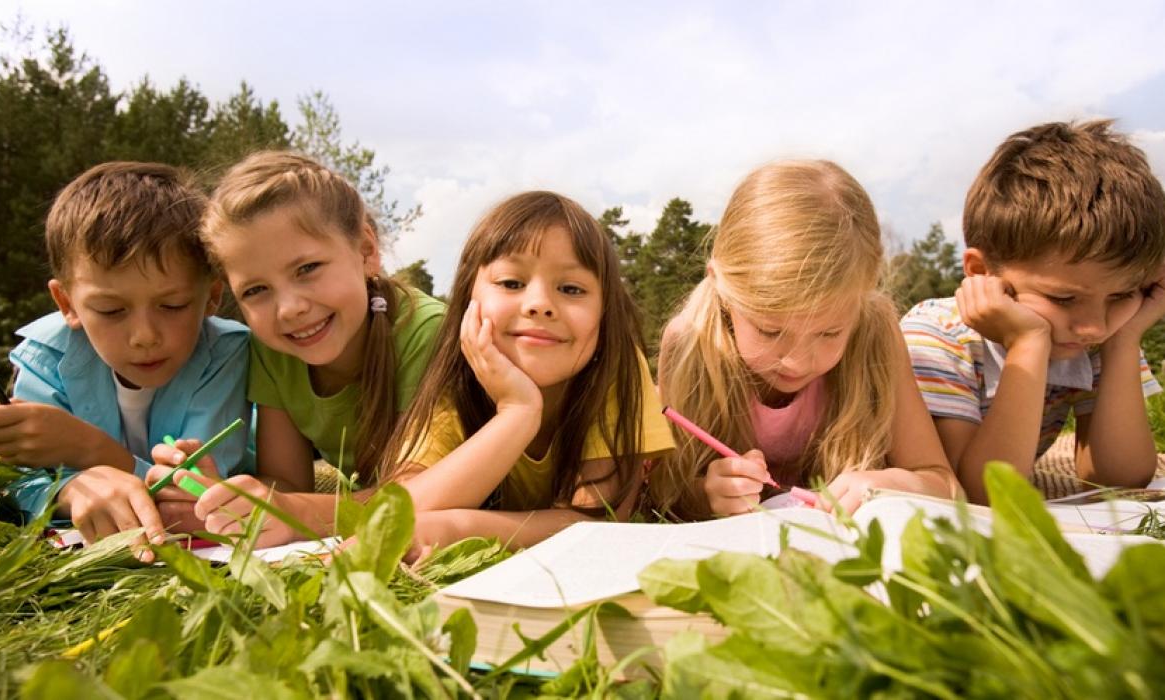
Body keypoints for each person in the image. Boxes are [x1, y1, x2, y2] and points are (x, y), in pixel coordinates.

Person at [151, 151, 444, 544]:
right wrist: (221, 499)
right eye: (256, 291)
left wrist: (294, 513)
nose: (289, 310)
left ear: (366, 251)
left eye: (307, 269)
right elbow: (287, 481)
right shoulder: (274, 349)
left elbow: (422, 495)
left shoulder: (426, 332)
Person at [651, 160, 957, 519]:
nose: (796, 361)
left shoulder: (876, 331)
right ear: (721, 288)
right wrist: (707, 495)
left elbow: (946, 485)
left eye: (829, 333)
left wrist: (896, 483)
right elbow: (666, 490)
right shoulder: (690, 342)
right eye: (770, 331)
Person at [381, 190, 674, 560]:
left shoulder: (617, 369)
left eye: (570, 289)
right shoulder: (456, 381)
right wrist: (518, 411)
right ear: (467, 300)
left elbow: (599, 519)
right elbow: (398, 515)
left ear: (605, 314)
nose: (539, 304)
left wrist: (462, 528)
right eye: (511, 283)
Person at [902, 120, 1165, 504]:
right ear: (980, 272)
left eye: (1122, 294)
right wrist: (1028, 343)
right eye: (1062, 299)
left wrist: (1125, 340)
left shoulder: (1104, 332)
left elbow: (1117, 477)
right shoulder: (936, 336)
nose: (1093, 326)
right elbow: (976, 493)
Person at [0, 162, 252, 552]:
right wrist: (68, 490)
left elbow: (195, 493)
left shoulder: (225, 354)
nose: (144, 337)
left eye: (173, 305)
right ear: (67, 303)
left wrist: (91, 450)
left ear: (212, 297)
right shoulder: (45, 357)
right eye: (111, 311)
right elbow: (17, 484)